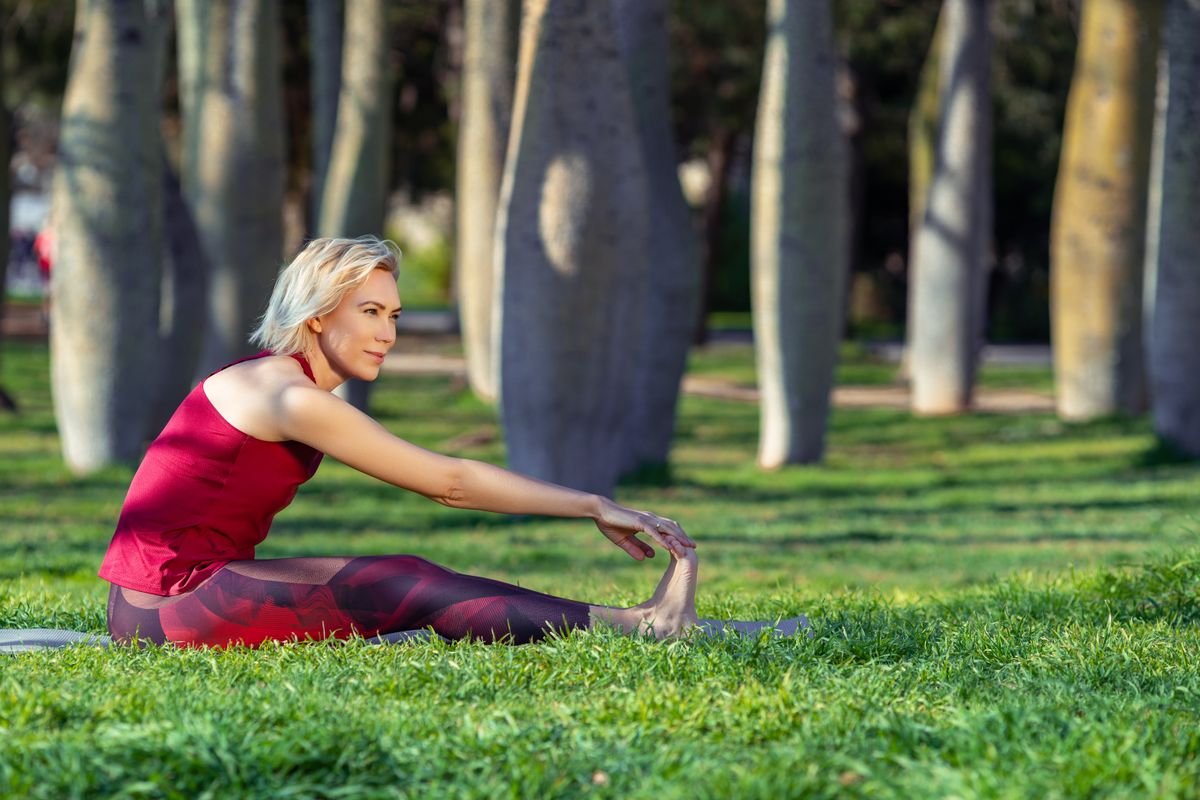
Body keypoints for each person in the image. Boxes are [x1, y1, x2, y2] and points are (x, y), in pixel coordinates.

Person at [99, 236, 808, 647]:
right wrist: (593, 503)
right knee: (398, 583)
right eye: (369, 312)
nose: (388, 333)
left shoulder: (272, 381)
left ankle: (646, 623)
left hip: (172, 596)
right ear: (316, 317)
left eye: (395, 314)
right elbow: (450, 482)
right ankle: (641, 626)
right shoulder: (291, 397)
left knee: (391, 578)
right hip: (163, 611)